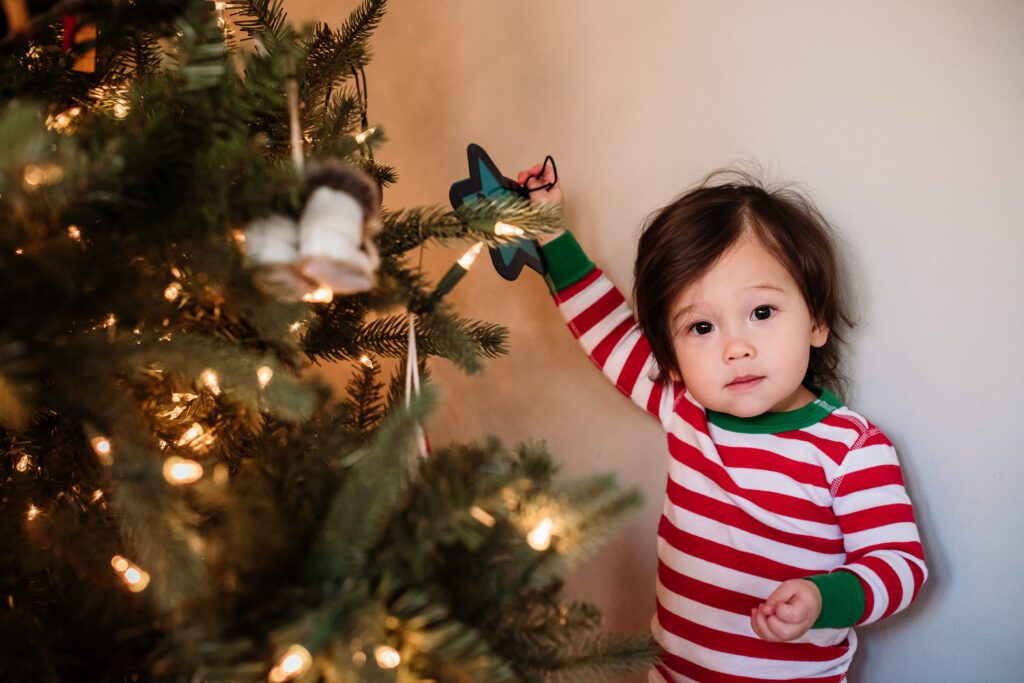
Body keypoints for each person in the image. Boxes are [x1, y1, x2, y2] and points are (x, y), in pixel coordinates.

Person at [515, 162, 927, 682]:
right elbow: (609, 331)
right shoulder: (685, 408)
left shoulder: (850, 449)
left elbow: (901, 566)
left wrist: (826, 598)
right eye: (702, 326)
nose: (736, 347)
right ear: (670, 356)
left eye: (761, 313)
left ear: (816, 321)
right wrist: (551, 233)